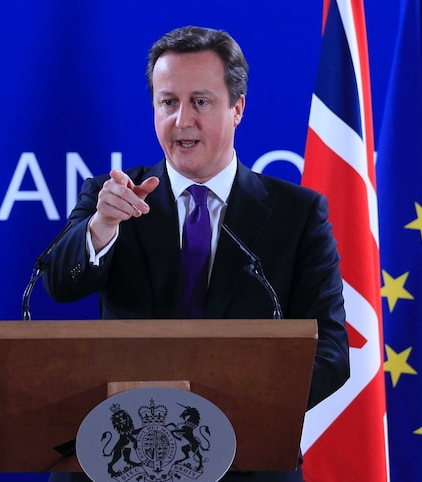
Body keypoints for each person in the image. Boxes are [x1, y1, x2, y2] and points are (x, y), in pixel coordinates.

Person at [43, 25, 350, 482]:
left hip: (244, 455)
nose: (181, 120)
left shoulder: (297, 214)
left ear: (237, 108)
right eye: (168, 102)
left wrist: (237, 409)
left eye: (200, 102)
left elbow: (330, 350)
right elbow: (60, 285)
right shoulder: (116, 197)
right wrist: (102, 226)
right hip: (127, 453)